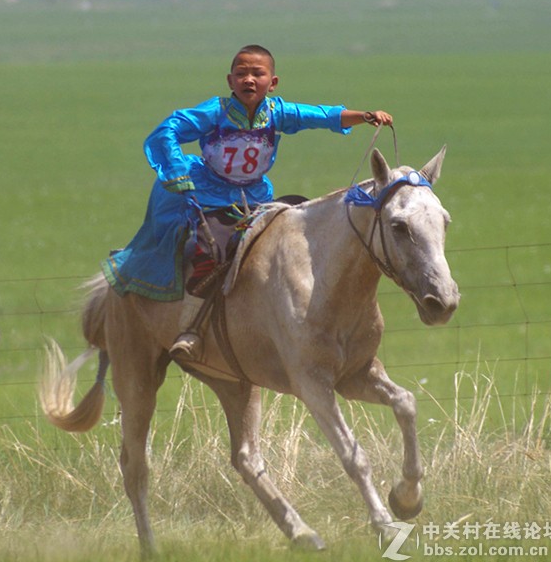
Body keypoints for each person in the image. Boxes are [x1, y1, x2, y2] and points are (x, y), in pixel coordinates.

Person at [100, 45, 393, 361]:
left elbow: (321, 116)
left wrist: (364, 117)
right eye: (241, 74)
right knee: (209, 251)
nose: (249, 80)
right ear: (230, 80)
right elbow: (168, 129)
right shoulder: (216, 111)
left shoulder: (278, 113)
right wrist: (174, 170)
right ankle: (190, 327)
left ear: (273, 82)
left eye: (258, 73)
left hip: (254, 196)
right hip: (209, 194)